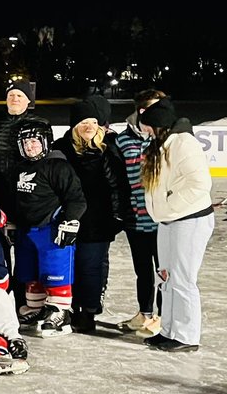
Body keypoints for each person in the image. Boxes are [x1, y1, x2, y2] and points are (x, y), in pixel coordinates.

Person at [139, 97, 214, 352]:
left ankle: (187, 336)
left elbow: (200, 184)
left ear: (159, 124)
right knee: (166, 278)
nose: (145, 130)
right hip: (168, 221)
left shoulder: (184, 144)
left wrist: (169, 204)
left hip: (189, 221)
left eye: (147, 125)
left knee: (183, 279)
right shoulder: (161, 146)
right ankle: (169, 330)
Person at [53, 95, 128, 332]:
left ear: (100, 127)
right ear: (74, 126)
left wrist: (117, 217)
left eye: (93, 123)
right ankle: (68, 307)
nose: (88, 127)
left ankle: (89, 311)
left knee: (91, 267)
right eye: (83, 122)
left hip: (98, 221)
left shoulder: (108, 151)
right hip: (68, 218)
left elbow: (118, 187)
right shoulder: (61, 150)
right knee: (68, 266)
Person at [9, 120, 87, 337]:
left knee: (55, 270)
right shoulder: (19, 168)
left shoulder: (58, 166)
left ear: (45, 142)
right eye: (25, 142)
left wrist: (71, 221)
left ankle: (59, 311)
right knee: (30, 272)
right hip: (27, 231)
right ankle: (35, 308)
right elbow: (15, 198)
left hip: (51, 229)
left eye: (34, 141)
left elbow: (76, 198)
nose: (30, 146)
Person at [114, 89, 165, 337]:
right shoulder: (123, 140)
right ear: (142, 111)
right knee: (142, 271)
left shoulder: (165, 137)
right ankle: (144, 312)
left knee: (164, 271)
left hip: (163, 220)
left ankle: (162, 317)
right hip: (136, 219)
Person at [0, 82, 50, 223]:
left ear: (28, 100)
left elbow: (45, 158)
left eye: (20, 95)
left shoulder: (40, 123)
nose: (15, 99)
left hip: (25, 188)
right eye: (11, 95)